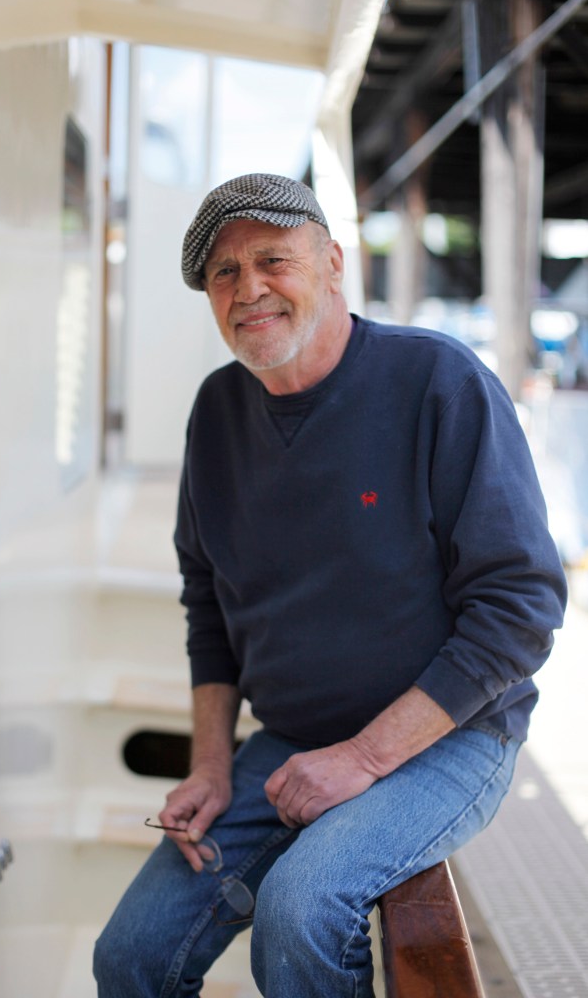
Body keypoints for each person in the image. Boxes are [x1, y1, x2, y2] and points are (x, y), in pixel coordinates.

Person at [94, 173, 567, 997]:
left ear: (333, 263)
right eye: (223, 274)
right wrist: (211, 764)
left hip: (450, 737)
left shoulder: (439, 383)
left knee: (301, 910)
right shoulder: (216, 412)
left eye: (272, 259)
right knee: (130, 955)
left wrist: (360, 757)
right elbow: (207, 602)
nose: (250, 289)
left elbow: (520, 611)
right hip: (286, 742)